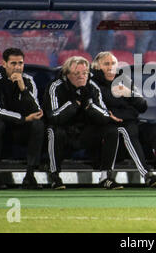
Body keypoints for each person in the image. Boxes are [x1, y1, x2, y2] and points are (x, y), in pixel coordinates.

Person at [91, 52, 156, 189]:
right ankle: (147, 174)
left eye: (113, 64)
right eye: (106, 64)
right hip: (111, 126)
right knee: (128, 129)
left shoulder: (124, 79)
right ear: (97, 67)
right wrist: (127, 109)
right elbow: (105, 109)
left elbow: (142, 105)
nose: (111, 67)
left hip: (132, 120)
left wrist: (128, 94)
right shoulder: (94, 83)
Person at [43, 56, 121, 190]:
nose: (82, 76)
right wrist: (75, 103)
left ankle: (105, 177)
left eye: (84, 73)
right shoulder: (55, 86)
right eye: (76, 73)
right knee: (53, 130)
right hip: (64, 131)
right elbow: (54, 117)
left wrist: (89, 106)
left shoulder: (92, 86)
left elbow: (104, 115)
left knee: (111, 130)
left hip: (85, 132)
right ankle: (54, 175)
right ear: (67, 74)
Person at [0, 48, 44, 190]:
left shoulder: (28, 80)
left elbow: (36, 111)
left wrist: (23, 88)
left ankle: (30, 176)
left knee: (38, 125)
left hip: (16, 127)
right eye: (13, 63)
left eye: (21, 63)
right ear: (4, 63)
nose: (18, 67)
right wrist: (22, 118)